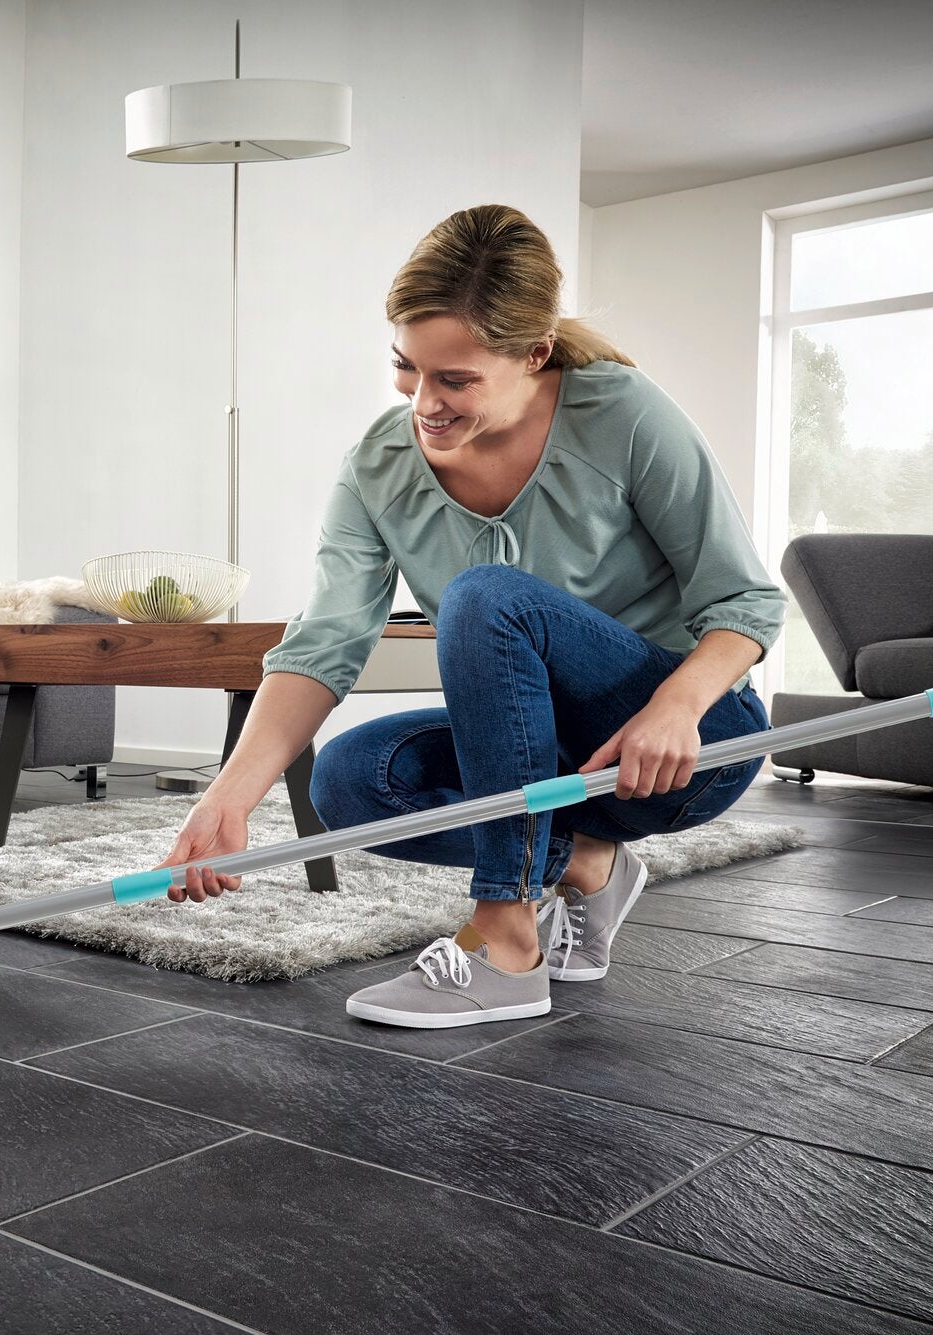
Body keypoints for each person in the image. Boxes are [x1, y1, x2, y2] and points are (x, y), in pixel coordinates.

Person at [155, 204, 785, 1030]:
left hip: (683, 746)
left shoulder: (623, 415)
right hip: (537, 760)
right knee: (349, 780)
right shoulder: (377, 468)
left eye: (455, 379)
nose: (424, 403)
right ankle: (588, 866)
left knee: (487, 596)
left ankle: (506, 941)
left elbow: (745, 598)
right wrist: (230, 794)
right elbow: (324, 644)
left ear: (534, 353)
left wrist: (674, 705)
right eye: (407, 368)